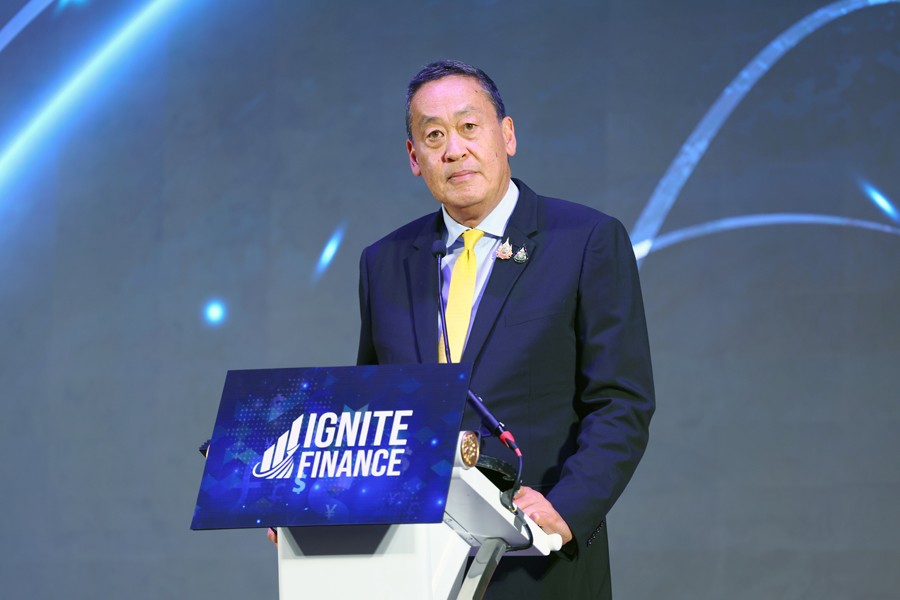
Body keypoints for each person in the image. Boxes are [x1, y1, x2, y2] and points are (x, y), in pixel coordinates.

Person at [356, 60, 655, 598]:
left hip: (537, 558)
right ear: (414, 158)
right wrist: (316, 502)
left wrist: (566, 506)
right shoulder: (385, 262)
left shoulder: (585, 241)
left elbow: (621, 402)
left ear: (507, 135)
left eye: (469, 126)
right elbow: (376, 414)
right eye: (434, 135)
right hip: (417, 564)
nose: (454, 149)